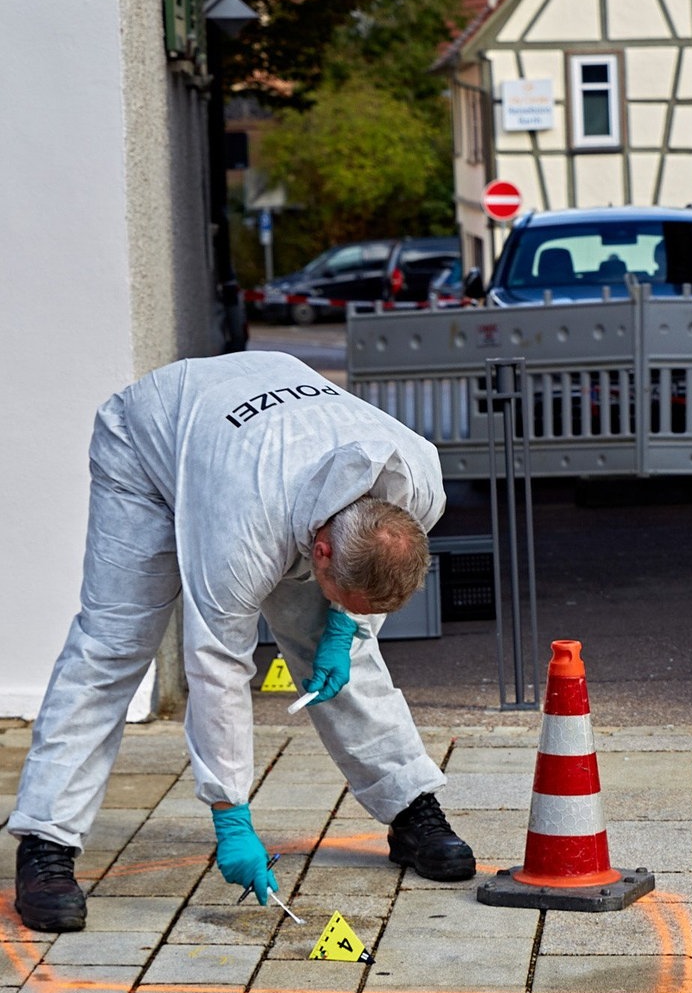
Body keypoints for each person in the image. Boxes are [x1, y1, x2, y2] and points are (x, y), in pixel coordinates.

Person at [10, 352, 476, 933]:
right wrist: (231, 814)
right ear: (322, 551)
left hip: (264, 418)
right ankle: (45, 843)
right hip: (150, 440)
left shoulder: (418, 487)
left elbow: (358, 598)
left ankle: (411, 808)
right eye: (337, 588)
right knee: (114, 644)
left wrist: (340, 630)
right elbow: (217, 668)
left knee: (342, 653)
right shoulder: (243, 532)